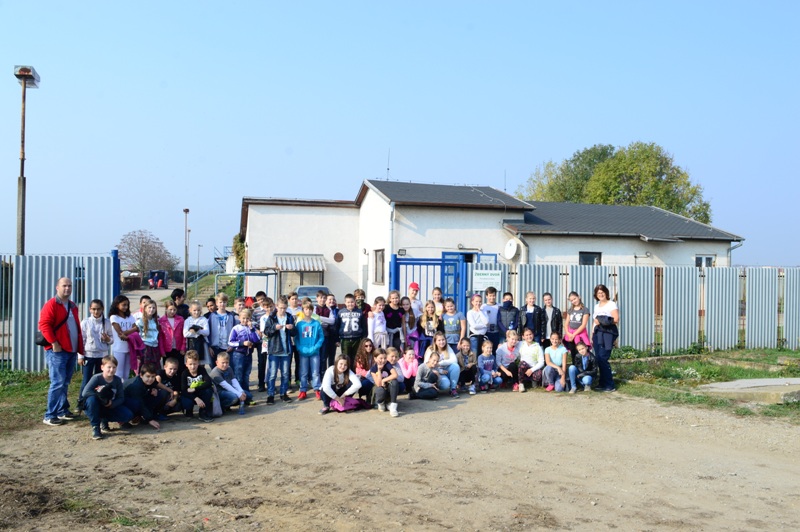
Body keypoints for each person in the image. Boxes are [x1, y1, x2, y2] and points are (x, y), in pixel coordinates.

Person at [39, 277, 84, 426]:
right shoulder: (51, 304)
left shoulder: (72, 305)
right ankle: (49, 415)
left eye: (69, 286)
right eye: (64, 285)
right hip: (58, 351)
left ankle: (62, 410)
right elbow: (44, 325)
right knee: (57, 382)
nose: (67, 288)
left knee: (64, 382)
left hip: (71, 349)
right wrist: (54, 343)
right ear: (57, 287)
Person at [82, 355, 133, 440]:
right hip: (96, 405)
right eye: (109, 367)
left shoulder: (117, 380)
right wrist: (100, 397)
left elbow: (121, 398)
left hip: (109, 406)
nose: (111, 370)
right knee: (91, 400)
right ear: (102, 367)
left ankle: (104, 420)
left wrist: (112, 403)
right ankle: (96, 427)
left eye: (114, 367)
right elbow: (85, 392)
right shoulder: (96, 378)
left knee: (128, 415)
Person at [78, 299, 113, 409]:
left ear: (102, 309)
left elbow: (112, 340)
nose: (96, 311)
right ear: (90, 309)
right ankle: (81, 402)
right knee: (86, 380)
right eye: (93, 309)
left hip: (102, 356)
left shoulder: (107, 323)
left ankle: (98, 402)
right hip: (89, 355)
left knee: (100, 380)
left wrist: (107, 339)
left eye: (98, 309)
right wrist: (80, 356)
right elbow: (81, 340)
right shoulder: (85, 322)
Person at [263, 296, 296, 404]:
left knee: (285, 374)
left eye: (285, 308)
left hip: (286, 350)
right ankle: (270, 395)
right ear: (276, 306)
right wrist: (274, 328)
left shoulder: (289, 317)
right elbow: (266, 332)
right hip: (274, 350)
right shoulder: (272, 317)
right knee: (272, 374)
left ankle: (283, 393)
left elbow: (294, 333)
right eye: (281, 308)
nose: (283, 310)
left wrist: (292, 328)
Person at [123, 362, 169, 430]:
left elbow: (156, 384)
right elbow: (140, 403)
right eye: (148, 376)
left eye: (153, 377)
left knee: (163, 393)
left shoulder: (149, 381)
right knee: (136, 404)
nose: (150, 379)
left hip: (138, 400)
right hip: (125, 404)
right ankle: (124, 421)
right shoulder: (136, 386)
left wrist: (170, 391)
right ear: (141, 375)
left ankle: (152, 415)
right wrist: (150, 419)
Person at [295, 300, 325, 400]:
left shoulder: (316, 324)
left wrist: (316, 347)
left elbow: (321, 337)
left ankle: (317, 389)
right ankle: (303, 390)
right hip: (303, 352)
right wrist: (299, 348)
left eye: (310, 309)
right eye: (306, 309)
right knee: (303, 372)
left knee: (315, 372)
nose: (308, 311)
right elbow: (296, 338)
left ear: (312, 311)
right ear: (303, 310)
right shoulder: (299, 324)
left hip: (314, 352)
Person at [592, 284, 619, 392]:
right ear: (596, 295)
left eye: (602, 292)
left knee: (603, 358)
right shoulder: (596, 306)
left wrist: (601, 320)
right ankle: (602, 383)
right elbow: (594, 322)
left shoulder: (611, 304)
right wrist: (592, 333)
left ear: (606, 293)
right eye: (598, 293)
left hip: (607, 334)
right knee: (598, 358)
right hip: (597, 334)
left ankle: (610, 385)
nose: (600, 294)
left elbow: (616, 319)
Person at [228, 308, 260, 395]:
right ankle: (239, 394)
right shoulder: (236, 328)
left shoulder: (252, 328)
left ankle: (246, 393)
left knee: (246, 375)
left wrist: (252, 329)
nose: (245, 320)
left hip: (248, 354)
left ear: (250, 319)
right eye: (243, 318)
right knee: (239, 375)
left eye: (247, 318)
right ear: (239, 318)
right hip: (238, 354)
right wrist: (242, 343)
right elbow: (230, 342)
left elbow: (256, 340)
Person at [108, 295, 137, 383]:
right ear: (117, 305)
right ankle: (117, 389)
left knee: (126, 373)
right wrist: (132, 330)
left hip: (129, 348)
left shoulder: (130, 317)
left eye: (127, 305)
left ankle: (124, 389)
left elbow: (137, 329)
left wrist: (127, 333)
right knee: (118, 372)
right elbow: (120, 333)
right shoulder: (114, 317)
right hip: (119, 348)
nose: (126, 307)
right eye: (123, 305)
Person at [423, 332, 461, 397]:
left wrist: (440, 363)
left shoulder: (447, 347)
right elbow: (426, 364)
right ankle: (435, 386)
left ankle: (453, 389)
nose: (441, 342)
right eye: (439, 340)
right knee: (445, 385)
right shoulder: (430, 349)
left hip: (445, 370)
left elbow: (454, 360)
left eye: (443, 340)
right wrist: (439, 371)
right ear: (435, 341)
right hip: (436, 372)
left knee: (455, 366)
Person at [333, 293, 366, 369]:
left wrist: (364, 338)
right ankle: (346, 372)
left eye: (352, 302)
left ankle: (354, 372)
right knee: (346, 357)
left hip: (357, 338)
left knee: (356, 357)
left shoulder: (359, 312)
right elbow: (337, 326)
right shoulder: (341, 312)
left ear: (355, 302)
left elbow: (364, 326)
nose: (350, 304)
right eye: (348, 302)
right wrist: (337, 339)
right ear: (345, 302)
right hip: (345, 338)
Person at [180, 350, 214, 422]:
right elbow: (183, 390)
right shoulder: (184, 373)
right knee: (187, 402)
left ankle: (203, 412)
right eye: (190, 364)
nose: (193, 367)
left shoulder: (202, 370)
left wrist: (195, 389)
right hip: (190, 395)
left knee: (209, 390)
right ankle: (189, 411)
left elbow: (208, 382)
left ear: (198, 363)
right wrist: (196, 398)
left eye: (195, 364)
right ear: (186, 364)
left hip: (199, 392)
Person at [371, 348, 400, 417]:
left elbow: (395, 375)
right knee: (380, 390)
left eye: (385, 358)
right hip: (380, 389)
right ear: (375, 359)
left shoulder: (387, 364)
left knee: (394, 382)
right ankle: (381, 403)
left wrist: (384, 380)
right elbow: (379, 384)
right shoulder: (373, 369)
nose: (383, 360)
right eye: (381, 358)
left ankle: (393, 406)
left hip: (388, 386)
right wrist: (379, 370)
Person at [208, 293, 235, 365]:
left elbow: (234, 332)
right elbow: (208, 332)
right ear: (216, 303)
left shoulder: (231, 316)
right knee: (215, 366)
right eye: (220, 302)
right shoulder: (212, 316)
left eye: (224, 302)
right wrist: (209, 346)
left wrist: (232, 345)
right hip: (215, 347)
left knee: (227, 366)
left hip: (227, 347)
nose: (222, 304)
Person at [252, 292, 272, 392]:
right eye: (259, 300)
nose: (261, 301)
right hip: (261, 341)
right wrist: (257, 329)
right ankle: (261, 384)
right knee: (262, 362)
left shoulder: (271, 309)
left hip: (272, 340)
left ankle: (270, 383)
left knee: (271, 362)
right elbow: (252, 322)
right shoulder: (256, 311)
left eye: (262, 299)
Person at [135, 299, 161, 370]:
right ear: (145, 308)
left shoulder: (156, 321)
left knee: (155, 368)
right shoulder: (140, 321)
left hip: (155, 347)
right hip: (145, 347)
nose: (151, 309)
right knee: (145, 368)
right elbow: (136, 335)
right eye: (149, 307)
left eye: (153, 308)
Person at [563, 291, 591, 357]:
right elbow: (566, 324)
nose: (573, 301)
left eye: (574, 299)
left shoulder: (585, 310)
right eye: (571, 300)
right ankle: (574, 363)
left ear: (579, 297)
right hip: (570, 335)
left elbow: (583, 325)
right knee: (573, 352)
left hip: (580, 335)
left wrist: (574, 334)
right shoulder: (570, 310)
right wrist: (568, 334)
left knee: (582, 352)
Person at [158, 301, 185, 367]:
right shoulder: (161, 320)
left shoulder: (180, 319)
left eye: (174, 310)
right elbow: (160, 337)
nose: (172, 312)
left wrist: (183, 347)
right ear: (166, 309)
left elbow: (183, 335)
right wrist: (162, 351)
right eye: (170, 309)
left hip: (178, 348)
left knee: (180, 367)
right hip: (167, 349)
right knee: (168, 367)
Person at [183, 301, 210, 366]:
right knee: (191, 361)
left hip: (201, 343)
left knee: (200, 363)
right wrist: (197, 332)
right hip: (191, 343)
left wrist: (197, 331)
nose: (196, 312)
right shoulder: (188, 320)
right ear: (190, 310)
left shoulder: (203, 319)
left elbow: (207, 332)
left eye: (198, 310)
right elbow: (185, 334)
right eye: (194, 310)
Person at [481, 287, 500, 353]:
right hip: (486, 332)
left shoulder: (499, 306)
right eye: (490, 296)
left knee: (496, 351)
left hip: (497, 333)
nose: (492, 297)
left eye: (493, 295)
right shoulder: (483, 307)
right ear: (486, 296)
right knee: (487, 351)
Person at [322, 294, 339, 371]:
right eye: (330, 299)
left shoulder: (337, 311)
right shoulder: (323, 310)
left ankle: (331, 373)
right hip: (324, 336)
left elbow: (338, 325)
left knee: (332, 358)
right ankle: (323, 374)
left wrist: (337, 340)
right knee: (323, 357)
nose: (332, 301)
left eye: (333, 299)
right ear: (326, 301)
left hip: (333, 337)